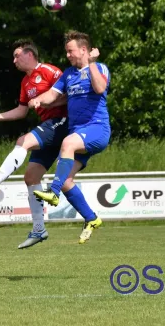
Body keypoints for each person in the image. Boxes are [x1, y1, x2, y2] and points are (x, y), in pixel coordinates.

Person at [0, 39, 73, 249]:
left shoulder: (48, 71)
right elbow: (22, 110)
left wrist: (47, 101)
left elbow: (70, 95)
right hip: (49, 126)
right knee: (31, 177)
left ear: (30, 55)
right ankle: (39, 229)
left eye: (17, 55)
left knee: (23, 141)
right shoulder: (25, 83)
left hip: (63, 123)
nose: (14, 60)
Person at [29, 30, 110, 244]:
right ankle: (91, 218)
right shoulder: (68, 74)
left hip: (97, 129)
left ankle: (53, 193)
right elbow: (53, 96)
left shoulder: (99, 68)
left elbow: (100, 87)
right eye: (66, 52)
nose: (67, 55)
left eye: (70, 51)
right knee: (66, 181)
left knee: (67, 143)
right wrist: (38, 99)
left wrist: (92, 63)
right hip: (79, 133)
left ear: (83, 50)